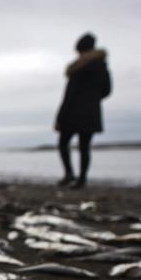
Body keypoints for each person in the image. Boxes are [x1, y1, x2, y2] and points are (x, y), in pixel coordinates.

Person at [54, 33, 111, 189]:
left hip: (73, 111)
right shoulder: (102, 66)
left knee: (63, 142)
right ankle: (82, 179)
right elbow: (107, 91)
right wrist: (93, 99)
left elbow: (69, 95)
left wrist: (60, 117)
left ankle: (69, 173)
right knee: (84, 147)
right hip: (92, 112)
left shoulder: (78, 68)